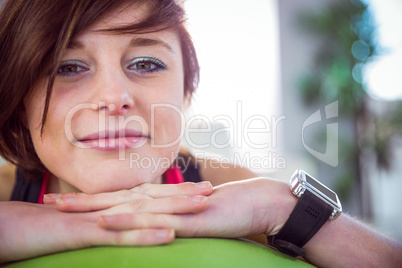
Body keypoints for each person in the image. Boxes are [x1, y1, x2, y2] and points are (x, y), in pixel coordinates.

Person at [0, 0, 401, 266]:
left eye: (145, 64)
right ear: (21, 101)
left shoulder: (223, 184)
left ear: (185, 93)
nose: (114, 97)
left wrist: (281, 206)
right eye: (68, 67)